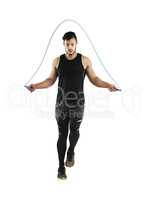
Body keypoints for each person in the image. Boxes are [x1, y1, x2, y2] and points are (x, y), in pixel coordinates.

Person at [26, 31, 119, 180]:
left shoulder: (85, 60)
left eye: (72, 44)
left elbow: (94, 79)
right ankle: (61, 167)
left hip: (78, 105)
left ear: (76, 44)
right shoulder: (57, 61)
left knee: (74, 132)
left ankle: (71, 151)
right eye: (67, 44)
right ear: (63, 44)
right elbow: (50, 80)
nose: (70, 47)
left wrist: (108, 85)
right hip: (61, 105)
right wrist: (35, 86)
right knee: (62, 134)